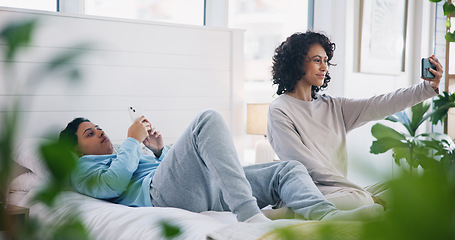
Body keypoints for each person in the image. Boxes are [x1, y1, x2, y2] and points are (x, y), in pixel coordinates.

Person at [60, 109, 384, 223]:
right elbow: (114, 184)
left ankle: (326, 216)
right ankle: (251, 217)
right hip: (163, 196)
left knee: (287, 168)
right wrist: (132, 140)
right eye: (90, 133)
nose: (100, 132)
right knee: (207, 119)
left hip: (204, 191)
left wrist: (158, 151)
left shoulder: (126, 151)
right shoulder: (81, 169)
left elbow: (181, 164)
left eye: (99, 126)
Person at [267, 30, 442, 210]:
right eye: (317, 60)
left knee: (403, 190)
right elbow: (305, 165)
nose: (324, 67)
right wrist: (361, 193)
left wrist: (426, 88)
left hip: (342, 192)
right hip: (306, 193)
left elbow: (380, 104)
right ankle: (279, 214)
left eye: (325, 61)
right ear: (296, 62)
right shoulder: (280, 110)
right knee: (361, 201)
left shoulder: (333, 106)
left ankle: (361, 201)